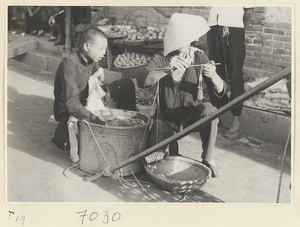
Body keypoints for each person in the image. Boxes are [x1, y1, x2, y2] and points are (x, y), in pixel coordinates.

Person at [137, 13, 227, 177]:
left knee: (210, 110)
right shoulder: (162, 58)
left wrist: (213, 75)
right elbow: (143, 80)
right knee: (148, 159)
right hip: (165, 119)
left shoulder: (198, 55)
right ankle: (170, 151)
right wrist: (167, 69)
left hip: (191, 117)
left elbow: (221, 90)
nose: (188, 43)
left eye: (189, 38)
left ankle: (208, 158)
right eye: (182, 38)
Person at [52, 27, 136, 162]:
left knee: (126, 84)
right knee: (65, 142)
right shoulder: (70, 64)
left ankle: (131, 128)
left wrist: (102, 82)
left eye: (105, 48)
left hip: (88, 100)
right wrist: (97, 120)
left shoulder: (92, 59)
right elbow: (72, 105)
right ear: (86, 46)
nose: (104, 53)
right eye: (101, 48)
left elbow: (97, 87)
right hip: (71, 110)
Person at [207, 6, 254, 139]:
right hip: (213, 29)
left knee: (235, 74)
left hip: (233, 30)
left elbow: (249, 11)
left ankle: (236, 120)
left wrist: (237, 29)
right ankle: (218, 116)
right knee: (213, 72)